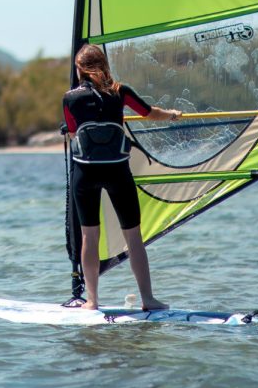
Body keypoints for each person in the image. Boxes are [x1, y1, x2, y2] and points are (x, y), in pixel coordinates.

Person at [63, 43, 182, 311]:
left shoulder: (70, 98)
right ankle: (148, 300)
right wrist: (172, 114)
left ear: (79, 69)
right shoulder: (120, 92)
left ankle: (92, 301)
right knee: (134, 237)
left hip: (86, 172)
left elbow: (72, 132)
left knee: (89, 237)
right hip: (117, 172)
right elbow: (149, 113)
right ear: (104, 65)